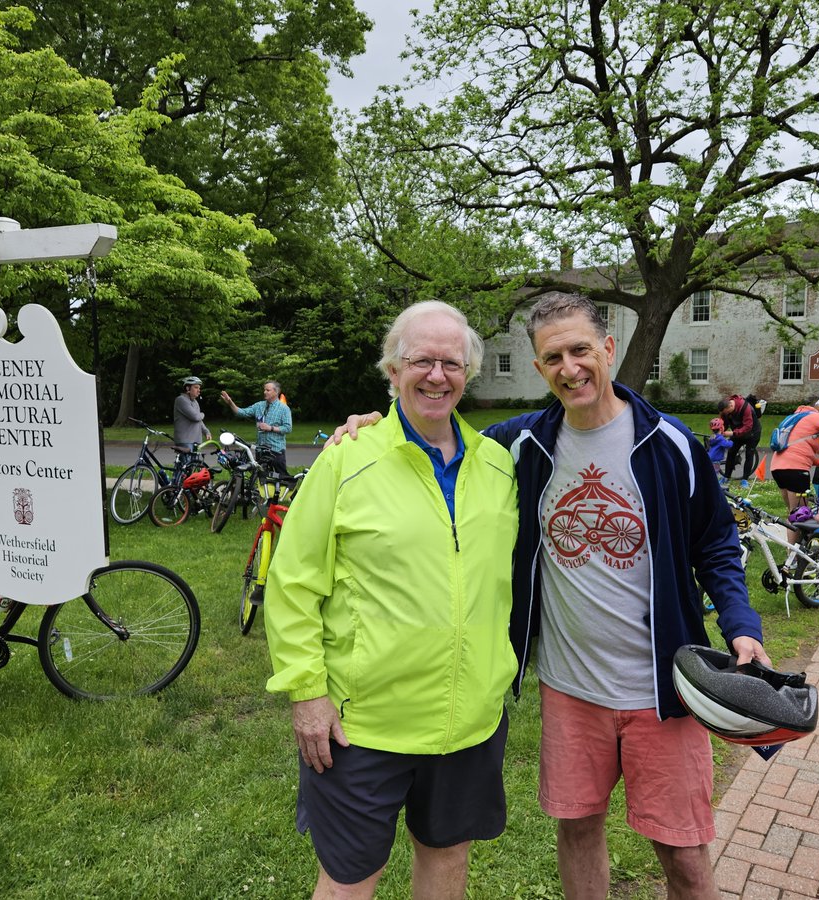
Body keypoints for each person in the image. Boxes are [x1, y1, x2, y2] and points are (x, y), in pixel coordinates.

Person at [333, 292, 770, 898]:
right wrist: (376, 424)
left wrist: (742, 625)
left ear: (608, 349)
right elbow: (437, 430)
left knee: (686, 857)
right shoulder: (520, 448)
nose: (570, 367)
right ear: (539, 368)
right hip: (570, 691)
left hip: (662, 689)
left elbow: (717, 545)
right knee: (578, 833)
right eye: (553, 357)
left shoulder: (671, 445)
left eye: (581, 350)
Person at [263, 301, 519, 899]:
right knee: (350, 880)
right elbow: (294, 582)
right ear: (392, 370)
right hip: (364, 726)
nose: (437, 375)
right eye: (421, 360)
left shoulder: (499, 466)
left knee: (447, 856)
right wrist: (307, 694)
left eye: (451, 362)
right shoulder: (347, 458)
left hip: (469, 720)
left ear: (469, 372)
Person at [768, 398, 819, 543]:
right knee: (800, 515)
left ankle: (795, 552)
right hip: (795, 469)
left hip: (778, 467)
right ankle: (795, 555)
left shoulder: (796, 417)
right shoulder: (814, 417)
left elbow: (800, 452)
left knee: (794, 513)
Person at [220, 381, 293, 478]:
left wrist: (270, 428)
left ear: (276, 392)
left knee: (282, 477)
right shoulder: (259, 405)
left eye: (268, 390)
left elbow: (288, 428)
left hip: (276, 450)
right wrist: (230, 402)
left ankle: (288, 492)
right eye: (264, 390)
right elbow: (242, 412)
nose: (265, 392)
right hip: (261, 450)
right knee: (260, 478)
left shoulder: (284, 409)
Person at [716, 394, 760, 486]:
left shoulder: (745, 408)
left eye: (727, 412)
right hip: (738, 432)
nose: (726, 414)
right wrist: (721, 429)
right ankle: (726, 477)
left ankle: (745, 480)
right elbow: (724, 421)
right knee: (731, 452)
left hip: (752, 433)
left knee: (749, 454)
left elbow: (748, 427)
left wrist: (732, 433)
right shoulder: (726, 409)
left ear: (731, 406)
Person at [172, 376, 211, 453]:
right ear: (187, 388)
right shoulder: (181, 400)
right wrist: (203, 414)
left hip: (195, 440)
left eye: (199, 388)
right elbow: (196, 417)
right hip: (185, 441)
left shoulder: (195, 402)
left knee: (194, 464)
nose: (199, 390)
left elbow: (199, 421)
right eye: (196, 387)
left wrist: (206, 431)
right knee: (185, 464)